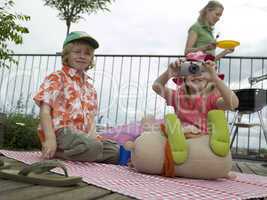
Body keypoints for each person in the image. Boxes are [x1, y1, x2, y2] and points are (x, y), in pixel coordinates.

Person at [33, 31, 119, 164]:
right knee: (94, 147)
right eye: (77, 52)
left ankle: (79, 153)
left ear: (91, 58)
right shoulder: (57, 77)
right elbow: (45, 111)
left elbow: (90, 120)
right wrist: (50, 139)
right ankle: (58, 151)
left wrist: (93, 139)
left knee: (115, 151)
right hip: (61, 132)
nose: (82, 56)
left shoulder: (90, 88)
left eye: (87, 53)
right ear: (67, 54)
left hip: (82, 138)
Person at [152, 59, 239, 139]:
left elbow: (233, 104)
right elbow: (156, 87)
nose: (197, 75)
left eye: (202, 71)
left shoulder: (212, 98)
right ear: (184, 79)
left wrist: (215, 78)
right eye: (191, 70)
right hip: (182, 140)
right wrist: (169, 72)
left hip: (204, 141)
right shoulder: (178, 96)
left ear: (209, 80)